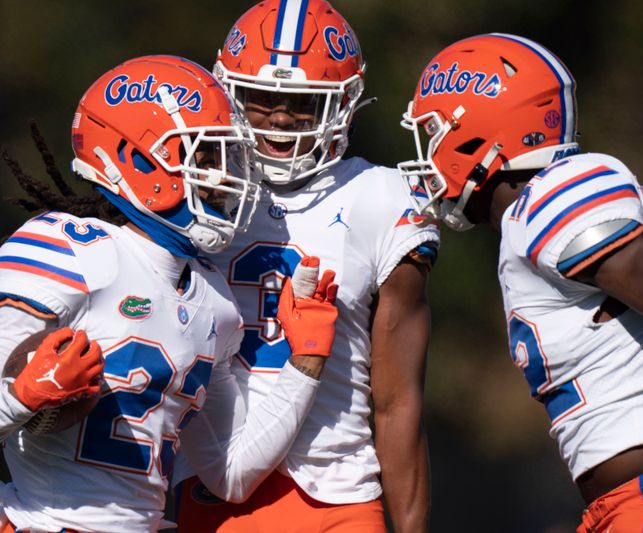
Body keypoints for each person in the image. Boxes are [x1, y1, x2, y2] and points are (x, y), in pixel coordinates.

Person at [0, 54, 342, 533]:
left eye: (226, 158)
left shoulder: (215, 302)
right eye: (204, 156)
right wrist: (23, 396)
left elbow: (230, 473)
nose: (222, 176)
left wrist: (307, 361)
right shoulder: (75, 251)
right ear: (137, 158)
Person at [398, 33, 643, 532]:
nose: (427, 156)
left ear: (476, 133)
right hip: (633, 502)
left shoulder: (553, 195)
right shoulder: (538, 211)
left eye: (433, 133)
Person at [172, 2, 441, 532]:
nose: (279, 115)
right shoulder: (192, 187)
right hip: (212, 486)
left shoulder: (380, 197)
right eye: (262, 96)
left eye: (300, 101)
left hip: (337, 495)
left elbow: (397, 400)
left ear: (343, 104)